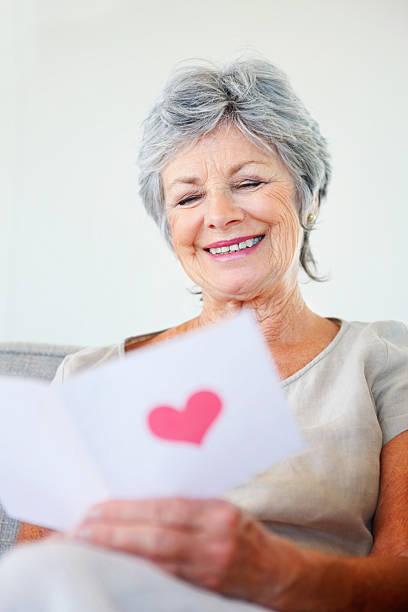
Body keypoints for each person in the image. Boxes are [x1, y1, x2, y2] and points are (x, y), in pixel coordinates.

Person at [1, 57, 407, 611]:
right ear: (170, 229)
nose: (219, 214)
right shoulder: (94, 377)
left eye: (249, 182)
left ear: (308, 200)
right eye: (188, 197)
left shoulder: (383, 360)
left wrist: (282, 575)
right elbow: (37, 578)